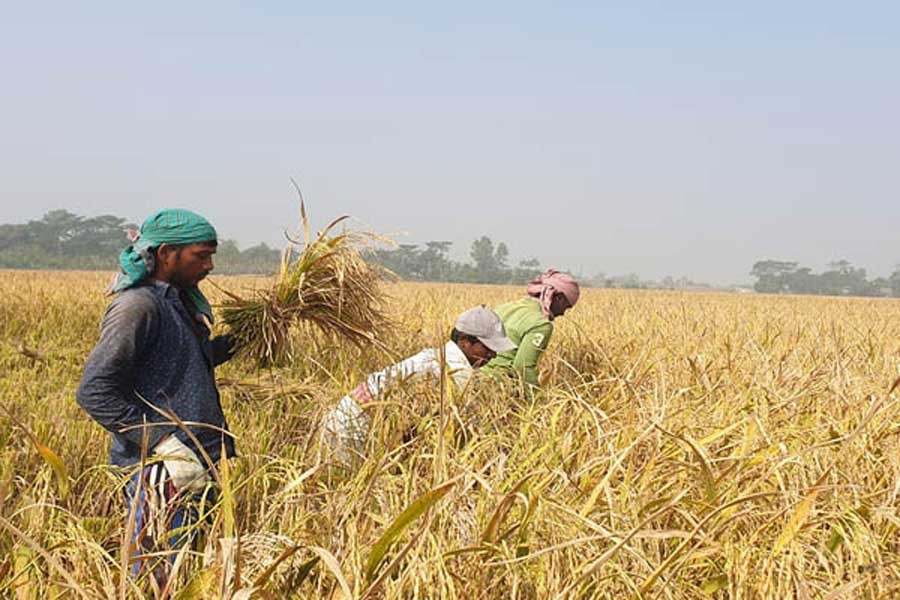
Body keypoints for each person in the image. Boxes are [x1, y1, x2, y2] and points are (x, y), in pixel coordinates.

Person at [76, 208, 236, 592]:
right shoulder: (138, 307)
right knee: (158, 581)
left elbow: (172, 365)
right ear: (166, 254)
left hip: (198, 462)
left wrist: (232, 345)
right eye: (201, 255)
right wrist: (163, 442)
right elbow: (95, 390)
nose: (210, 265)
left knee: (188, 576)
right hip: (161, 471)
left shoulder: (177, 302)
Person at [322, 305, 515, 468]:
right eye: (487, 348)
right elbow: (456, 430)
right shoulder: (454, 370)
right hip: (354, 427)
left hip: (351, 418)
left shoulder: (439, 356)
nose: (493, 355)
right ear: (465, 341)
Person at [481, 269, 580, 393]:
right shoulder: (541, 325)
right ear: (558, 298)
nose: (562, 313)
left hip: (475, 378)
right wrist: (537, 401)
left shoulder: (504, 307)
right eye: (566, 307)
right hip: (497, 387)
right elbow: (522, 367)